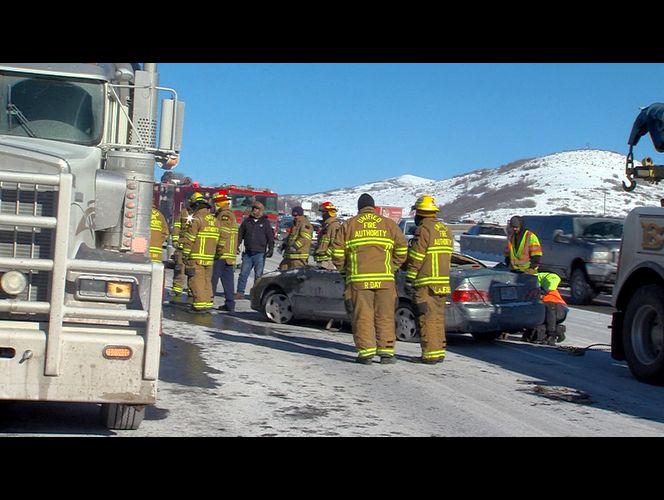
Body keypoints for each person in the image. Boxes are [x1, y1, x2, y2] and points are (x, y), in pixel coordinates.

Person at [330, 193, 408, 365]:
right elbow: (403, 248)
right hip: (385, 281)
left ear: (359, 208)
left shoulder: (349, 225)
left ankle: (366, 354)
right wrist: (392, 266)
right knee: (385, 316)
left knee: (362, 316)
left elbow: (336, 253)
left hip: (359, 280)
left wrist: (346, 273)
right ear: (373, 207)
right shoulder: (388, 224)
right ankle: (387, 353)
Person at [404, 195, 452, 364]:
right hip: (442, 283)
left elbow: (417, 256)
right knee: (438, 318)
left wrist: (409, 278)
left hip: (426, 283)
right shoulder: (444, 229)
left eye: (417, 212)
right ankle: (438, 352)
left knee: (427, 319)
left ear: (421, 213)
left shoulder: (424, 230)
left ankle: (429, 355)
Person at [180, 192, 221, 313]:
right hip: (209, 258)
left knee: (195, 281)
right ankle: (208, 302)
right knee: (206, 281)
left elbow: (189, 240)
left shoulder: (196, 219)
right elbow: (220, 240)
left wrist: (186, 255)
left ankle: (199, 305)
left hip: (196, 257)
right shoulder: (215, 221)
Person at [235, 200, 275, 299]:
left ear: (261, 210)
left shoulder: (265, 222)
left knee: (258, 276)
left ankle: (256, 295)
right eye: (253, 209)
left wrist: (271, 249)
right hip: (248, 253)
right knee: (243, 274)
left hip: (260, 254)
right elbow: (240, 235)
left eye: (256, 209)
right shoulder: (247, 222)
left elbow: (270, 237)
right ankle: (240, 293)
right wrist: (236, 245)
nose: (254, 211)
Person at [211, 190, 238, 312]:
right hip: (229, 255)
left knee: (213, 278)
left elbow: (224, 233)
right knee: (228, 281)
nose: (215, 205)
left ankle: (207, 300)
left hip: (222, 254)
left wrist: (219, 248)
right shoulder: (229, 214)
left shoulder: (224, 215)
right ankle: (230, 303)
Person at [524, 272, 569, 345]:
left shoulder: (548, 286)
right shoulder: (530, 290)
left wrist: (551, 335)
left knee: (549, 306)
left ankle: (552, 335)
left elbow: (554, 279)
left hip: (559, 310)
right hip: (547, 311)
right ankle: (558, 329)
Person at [171, 194, 194, 296]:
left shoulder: (199, 214)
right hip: (182, 245)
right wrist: (175, 240)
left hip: (193, 246)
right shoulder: (183, 212)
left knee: (192, 270)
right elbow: (177, 226)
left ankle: (191, 289)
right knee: (179, 268)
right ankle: (177, 289)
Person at [314, 201, 341, 270]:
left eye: (323, 212)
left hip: (327, 262)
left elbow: (337, 243)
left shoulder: (334, 226)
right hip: (322, 260)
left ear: (328, 213)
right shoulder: (326, 225)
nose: (322, 214)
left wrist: (327, 253)